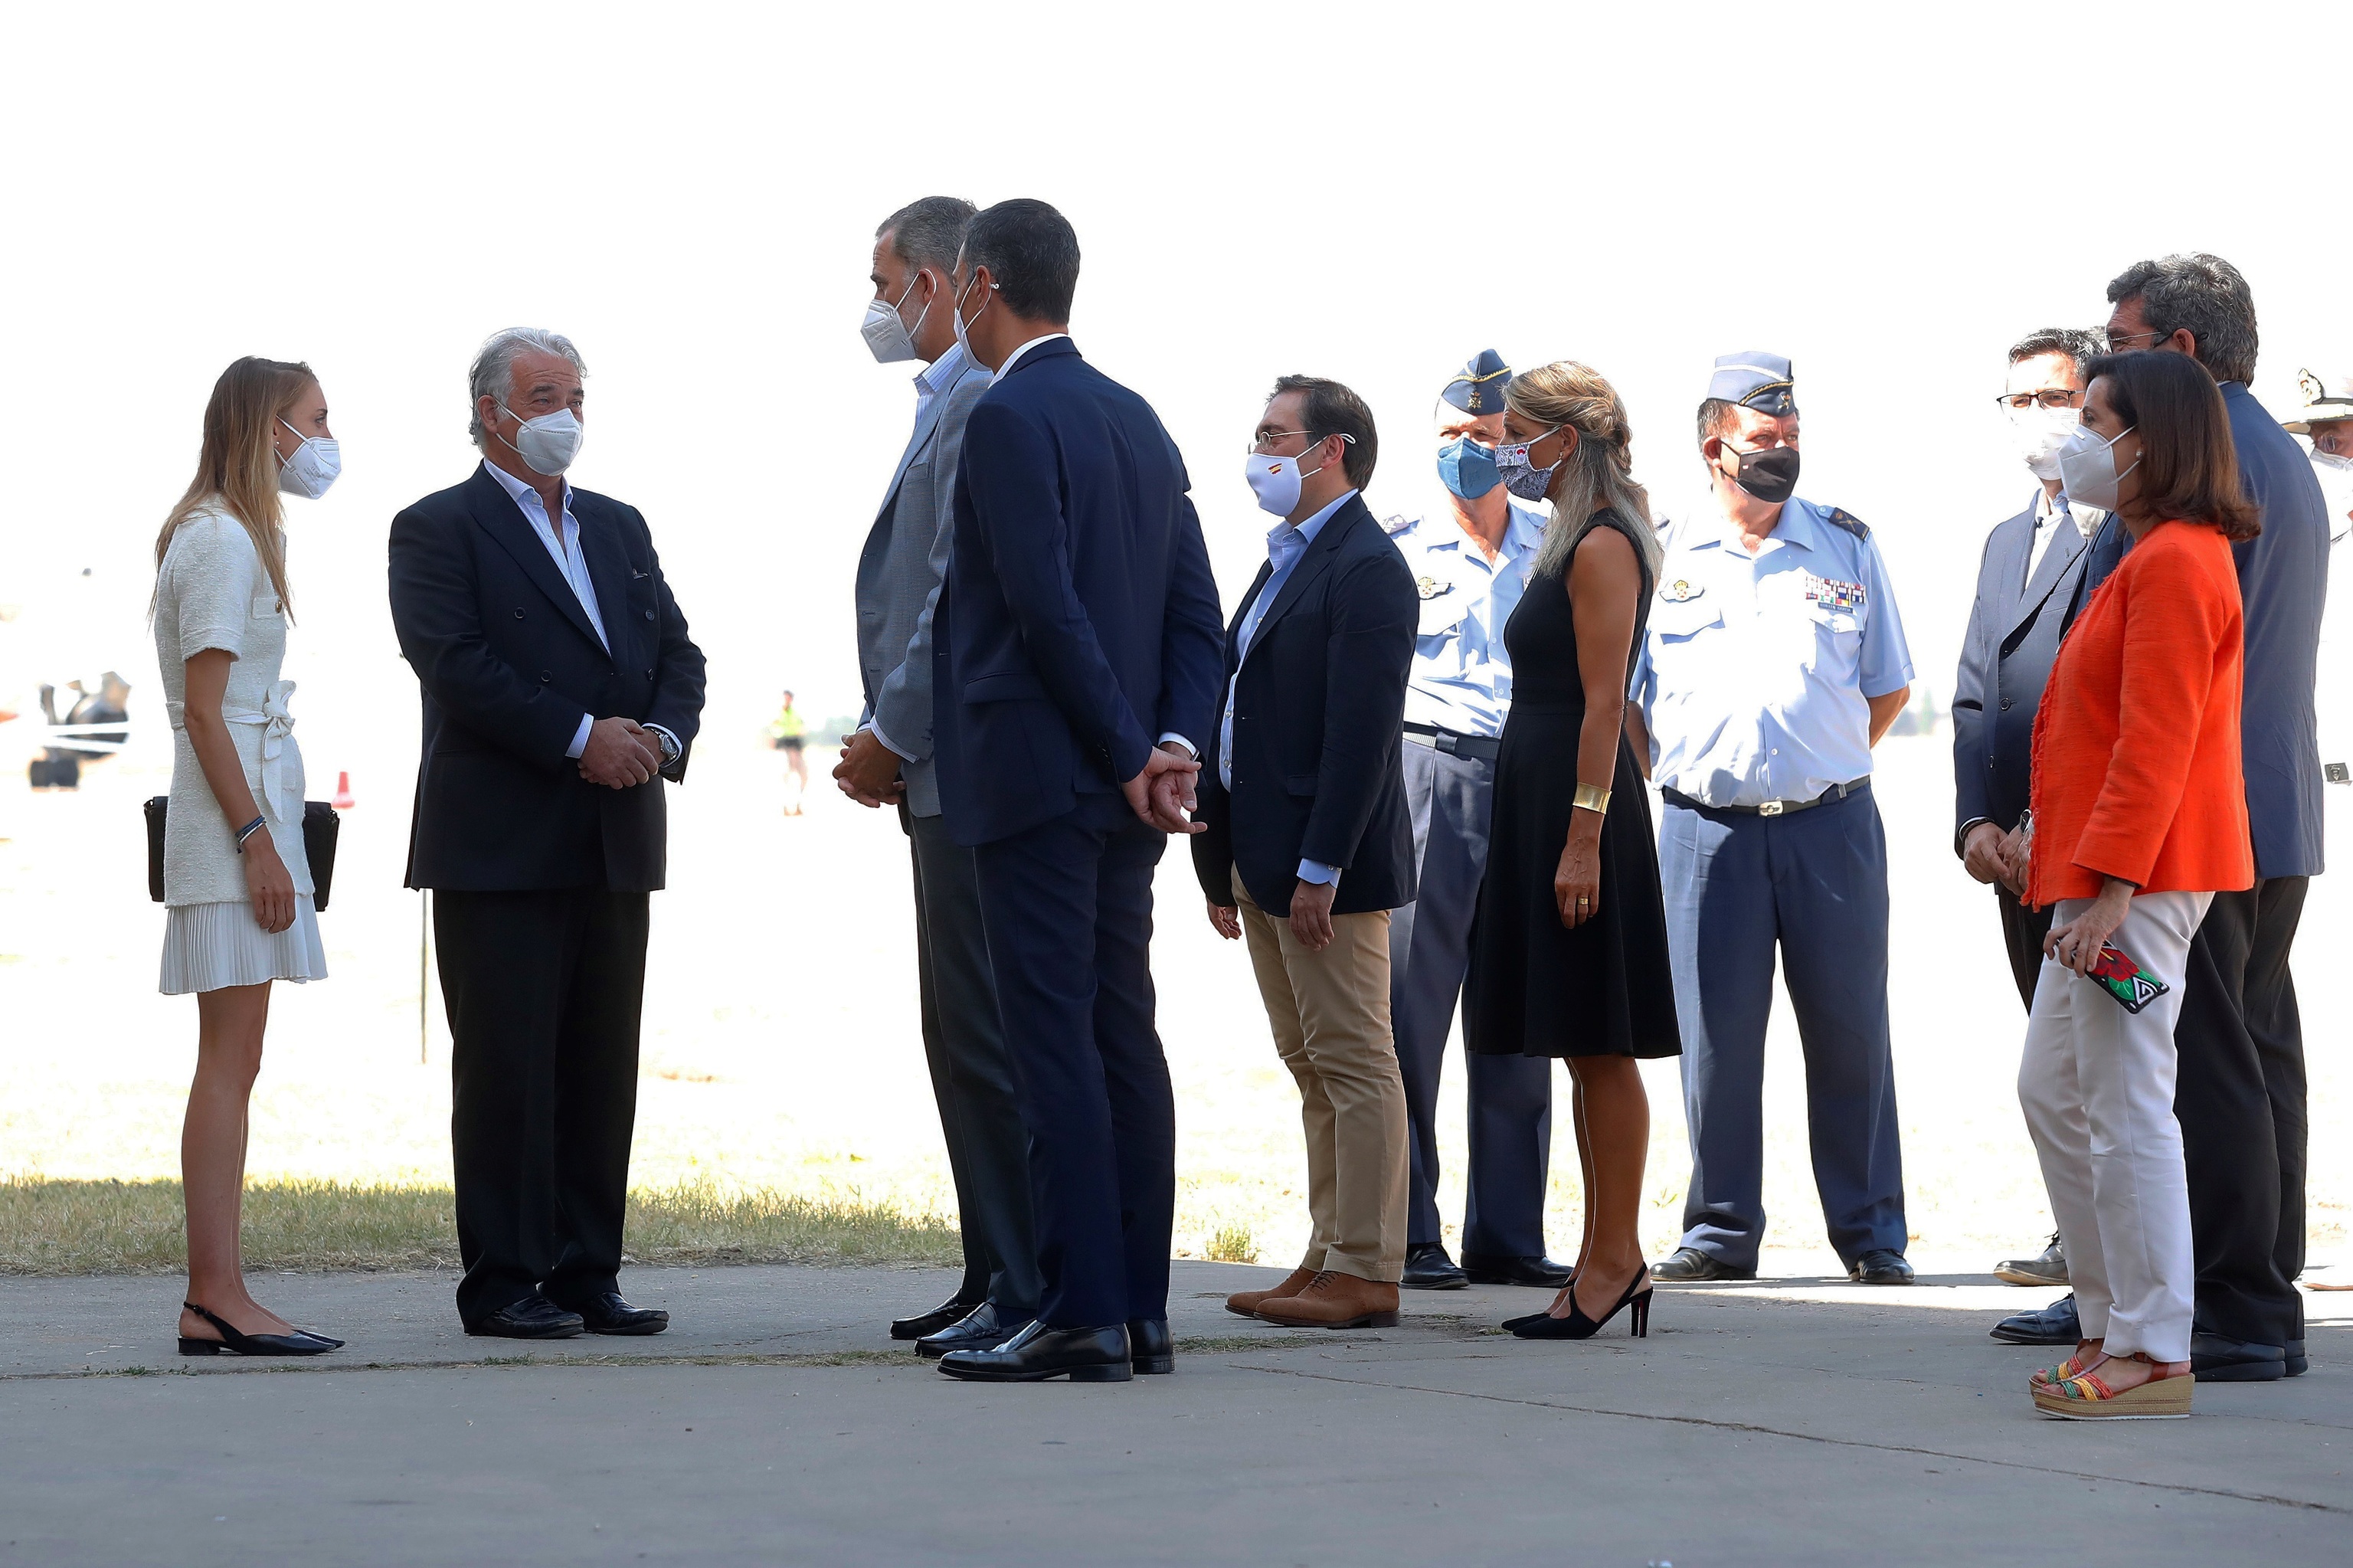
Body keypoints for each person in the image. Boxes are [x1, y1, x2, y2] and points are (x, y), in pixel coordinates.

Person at [927, 199, 1225, 1383]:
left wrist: (1121, 749)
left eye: (952, 287)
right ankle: (1137, 1306)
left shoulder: (1009, 416)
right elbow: (1195, 616)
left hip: (1045, 780)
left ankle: (1078, 1308)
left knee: (1051, 1041)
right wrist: (1169, 744)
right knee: (1119, 1036)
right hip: (1123, 789)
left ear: (983, 283)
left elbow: (1042, 606)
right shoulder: (1138, 420)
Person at [388, 328, 706, 1340]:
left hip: (614, 836)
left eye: (574, 392)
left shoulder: (618, 526)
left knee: (598, 1063)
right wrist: (579, 737)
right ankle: (503, 1278)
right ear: (492, 410)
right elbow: (456, 663)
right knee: (508, 1067)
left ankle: (586, 1270)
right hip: (500, 842)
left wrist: (657, 734)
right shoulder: (437, 527)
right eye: (542, 393)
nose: (564, 410)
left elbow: (678, 652)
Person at [2080, 255, 2330, 1381]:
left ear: (2179, 353)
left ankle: (2223, 1302)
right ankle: (2260, 1297)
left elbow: (2171, 683)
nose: (2106, 359)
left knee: (2199, 1057)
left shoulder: (2200, 466)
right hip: (2262, 807)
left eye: (2123, 339)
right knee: (2257, 1051)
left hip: (2186, 831)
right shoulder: (2277, 451)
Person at [1628, 352, 1916, 1286]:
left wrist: (1813, 763)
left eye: (1791, 436)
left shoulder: (1845, 544)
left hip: (1830, 826)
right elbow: (1631, 704)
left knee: (1851, 1032)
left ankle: (1871, 1233)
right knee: (1715, 1037)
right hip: (1704, 833)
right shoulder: (1658, 548)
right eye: (1763, 438)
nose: (1782, 450)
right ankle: (1719, 1230)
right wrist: (1690, 778)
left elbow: (1888, 687)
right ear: (1714, 446)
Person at [2014, 348, 2256, 1420]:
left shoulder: (2175, 560)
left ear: (2149, 439)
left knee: (2124, 1103)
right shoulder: (2149, 551)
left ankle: (2155, 1346)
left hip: (2139, 880)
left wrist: (2110, 881)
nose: (2081, 435)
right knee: (2058, 1090)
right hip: (2103, 874)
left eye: (2097, 416)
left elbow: (2156, 742)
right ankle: (2111, 1318)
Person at [836, 195, 1040, 1357]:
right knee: (957, 1031)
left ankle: (1018, 1277)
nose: (875, 305)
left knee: (983, 1032)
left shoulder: (975, 397)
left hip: (959, 762)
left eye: (884, 280)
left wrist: (892, 729)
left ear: (942, 276)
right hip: (935, 767)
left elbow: (950, 593)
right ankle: (989, 1268)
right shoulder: (945, 397)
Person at [1461, 361, 1681, 1341]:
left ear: (1565, 438)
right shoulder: (1571, 537)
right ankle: (1602, 1258)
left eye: (1518, 434)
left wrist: (1584, 836)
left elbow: (1604, 704)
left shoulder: (1602, 544)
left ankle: (1616, 1259)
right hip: (1543, 793)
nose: (1505, 451)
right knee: (1578, 1040)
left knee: (1600, 1039)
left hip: (1576, 805)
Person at [1194, 375, 1418, 1331]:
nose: (1260, 451)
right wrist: (1220, 861)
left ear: (1330, 451)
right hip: (1262, 858)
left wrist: (1321, 865)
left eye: (1274, 435)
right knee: (1311, 1062)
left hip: (1323, 868)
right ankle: (1329, 1253)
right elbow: (1240, 706)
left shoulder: (1368, 568)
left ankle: (1369, 1268)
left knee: (1357, 1060)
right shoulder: (1285, 560)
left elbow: (1359, 739)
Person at [152, 356, 342, 1356]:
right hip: (235, 828)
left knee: (238, 1058)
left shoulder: (230, 535)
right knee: (229, 1062)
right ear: (271, 427)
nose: (325, 436)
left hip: (243, 818)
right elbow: (205, 711)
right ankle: (216, 1292)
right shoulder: (221, 540)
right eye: (315, 417)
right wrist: (258, 842)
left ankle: (217, 1292)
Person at [1382, 352, 1572, 1293]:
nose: (1470, 452)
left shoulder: (1560, 540)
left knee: (1518, 1015)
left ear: (1516, 446)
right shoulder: (1397, 543)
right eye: (1454, 437)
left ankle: (1507, 1231)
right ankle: (1412, 1228)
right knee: (1409, 1011)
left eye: (1488, 439)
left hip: (1533, 782)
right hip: (1431, 774)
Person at [1951, 327, 2109, 1311]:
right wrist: (1978, 826)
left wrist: (2051, 823)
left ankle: (2123, 1279)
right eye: (2020, 402)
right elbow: (1976, 694)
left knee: (2110, 1067)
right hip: (2014, 859)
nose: (2039, 419)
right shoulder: (2009, 538)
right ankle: (2081, 1255)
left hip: (2093, 857)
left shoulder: (2122, 529)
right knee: (2052, 1068)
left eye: (2058, 398)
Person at [770, 689, 808, 814]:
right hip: (785, 746)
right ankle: (786, 806)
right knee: (786, 776)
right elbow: (774, 730)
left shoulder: (795, 713)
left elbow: (801, 728)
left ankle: (798, 804)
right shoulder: (778, 714)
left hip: (795, 745)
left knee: (803, 775)